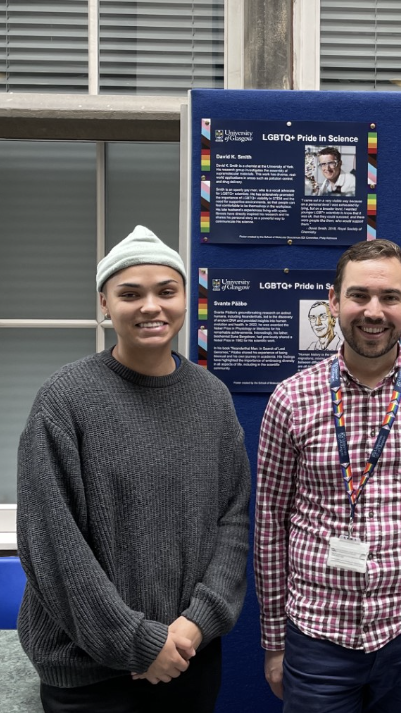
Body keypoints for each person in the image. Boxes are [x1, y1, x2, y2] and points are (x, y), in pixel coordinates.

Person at [17, 225, 251, 713]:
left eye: (167, 291)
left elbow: (233, 520)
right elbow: (51, 543)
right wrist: (138, 642)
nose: (151, 306)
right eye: (130, 294)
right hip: (89, 676)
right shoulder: (65, 400)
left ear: (187, 298)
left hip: (189, 658)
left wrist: (197, 622)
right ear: (105, 303)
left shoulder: (212, 399)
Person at [255, 239, 401, 712]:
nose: (374, 311)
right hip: (316, 634)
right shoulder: (290, 400)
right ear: (335, 302)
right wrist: (275, 641)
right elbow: (269, 528)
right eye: (359, 296)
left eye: (390, 298)